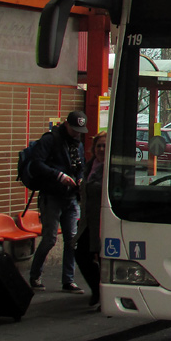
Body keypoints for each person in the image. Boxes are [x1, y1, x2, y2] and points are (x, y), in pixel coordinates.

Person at [28, 110, 87, 294]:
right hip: (52, 196)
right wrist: (59, 176)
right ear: (66, 124)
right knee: (50, 239)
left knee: (71, 240)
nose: (77, 133)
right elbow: (37, 163)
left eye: (80, 130)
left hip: (70, 197)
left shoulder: (78, 145)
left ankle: (68, 280)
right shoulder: (50, 140)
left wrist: (79, 178)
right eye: (74, 129)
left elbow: (81, 166)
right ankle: (35, 275)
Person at [76, 131, 106, 308]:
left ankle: (105, 295)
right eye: (98, 146)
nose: (101, 149)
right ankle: (97, 289)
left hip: (103, 220)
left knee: (104, 258)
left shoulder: (111, 168)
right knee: (81, 254)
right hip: (88, 220)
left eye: (104, 145)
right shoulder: (89, 167)